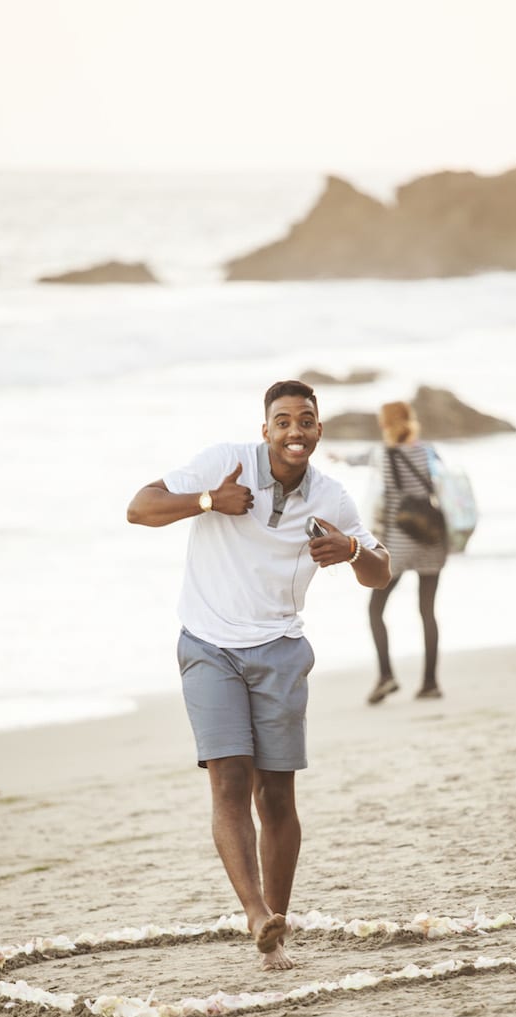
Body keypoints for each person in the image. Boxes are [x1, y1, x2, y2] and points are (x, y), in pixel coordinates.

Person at [127, 381, 390, 970]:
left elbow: (380, 573)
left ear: (319, 430)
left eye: (306, 421)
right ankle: (253, 913)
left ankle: (276, 926)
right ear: (265, 427)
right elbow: (139, 508)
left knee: (276, 794)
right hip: (208, 646)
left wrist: (350, 550)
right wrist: (207, 502)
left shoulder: (332, 496)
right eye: (283, 421)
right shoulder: (225, 463)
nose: (295, 431)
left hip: (279, 650)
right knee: (228, 781)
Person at [361, 401, 447, 703]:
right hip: (433, 539)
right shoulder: (429, 451)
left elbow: (383, 501)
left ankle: (386, 676)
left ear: (385, 425)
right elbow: (443, 487)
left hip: (399, 541)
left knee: (375, 609)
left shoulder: (383, 455)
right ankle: (430, 683)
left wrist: (373, 542)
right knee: (427, 612)